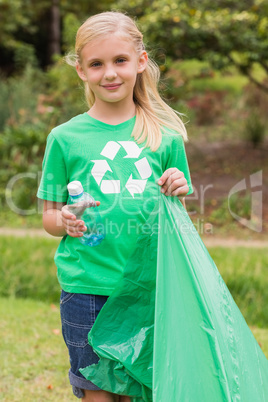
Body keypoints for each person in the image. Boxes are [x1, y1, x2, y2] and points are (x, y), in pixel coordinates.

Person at [37, 10, 194, 402]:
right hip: (87, 287)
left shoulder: (166, 137)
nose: (109, 73)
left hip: (148, 289)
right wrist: (66, 220)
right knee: (99, 394)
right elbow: (49, 217)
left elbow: (177, 217)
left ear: (140, 62)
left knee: (137, 392)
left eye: (120, 60)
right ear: (81, 71)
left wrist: (179, 186)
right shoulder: (65, 138)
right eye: (96, 64)